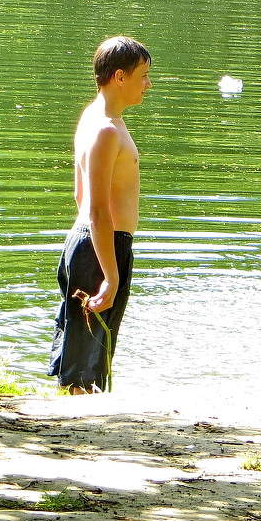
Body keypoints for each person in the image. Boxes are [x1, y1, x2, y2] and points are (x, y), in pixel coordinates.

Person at [48, 36, 152, 393]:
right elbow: (95, 208)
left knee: (86, 349)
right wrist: (109, 274)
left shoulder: (95, 117)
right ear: (119, 77)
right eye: (143, 75)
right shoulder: (107, 129)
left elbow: (79, 194)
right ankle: (73, 428)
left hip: (92, 245)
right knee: (84, 360)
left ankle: (74, 417)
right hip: (100, 248)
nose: (147, 84)